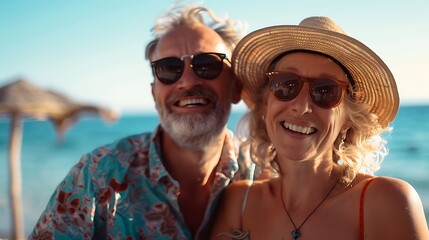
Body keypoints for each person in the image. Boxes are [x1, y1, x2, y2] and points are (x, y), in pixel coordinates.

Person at [29, 4, 251, 240]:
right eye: (168, 68)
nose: (187, 80)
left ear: (236, 87)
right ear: (154, 94)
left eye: (208, 65)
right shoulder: (97, 176)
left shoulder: (264, 173)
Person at [210, 16, 429, 240]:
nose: (302, 106)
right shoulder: (239, 203)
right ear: (266, 103)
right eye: (286, 85)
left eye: (325, 91)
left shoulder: (386, 203)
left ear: (348, 118)